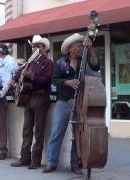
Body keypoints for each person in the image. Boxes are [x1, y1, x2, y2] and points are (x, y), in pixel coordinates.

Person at [42, 33, 99, 174]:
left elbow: (96, 67)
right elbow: (54, 80)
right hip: (64, 102)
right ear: (70, 49)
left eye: (82, 45)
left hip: (80, 103)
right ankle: (51, 162)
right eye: (78, 46)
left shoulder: (84, 61)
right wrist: (66, 81)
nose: (81, 48)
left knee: (78, 135)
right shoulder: (60, 63)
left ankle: (76, 164)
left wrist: (90, 49)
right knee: (57, 132)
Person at [10, 35, 53, 169]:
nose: (35, 48)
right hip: (28, 97)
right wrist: (15, 80)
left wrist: (32, 76)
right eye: (34, 46)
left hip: (41, 96)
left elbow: (47, 80)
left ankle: (36, 161)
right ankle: (24, 158)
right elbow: (19, 72)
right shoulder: (30, 62)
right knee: (26, 129)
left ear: (44, 48)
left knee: (38, 130)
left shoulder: (48, 62)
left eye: (38, 46)